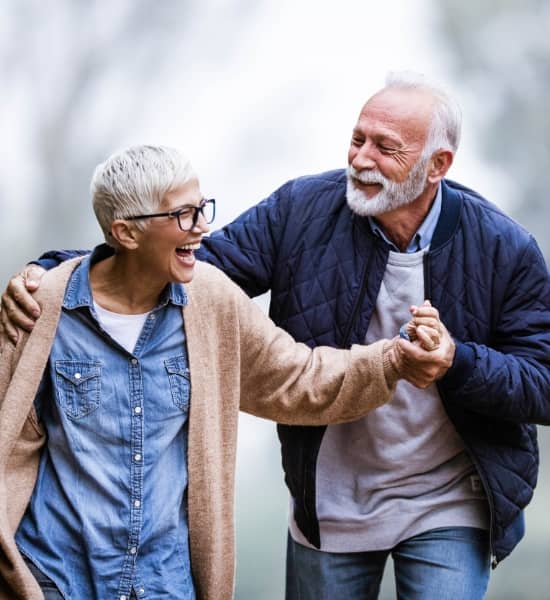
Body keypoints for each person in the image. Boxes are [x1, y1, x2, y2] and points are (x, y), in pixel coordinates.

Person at [3, 72, 550, 599]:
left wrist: (458, 361)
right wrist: (57, 274)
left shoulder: (504, 248)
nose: (361, 158)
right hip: (330, 501)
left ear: (438, 165)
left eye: (386, 148)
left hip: (447, 498)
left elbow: (541, 383)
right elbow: (180, 264)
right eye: (357, 139)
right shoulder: (302, 210)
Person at [0, 145, 447, 600]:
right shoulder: (39, 309)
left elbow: (298, 377)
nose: (202, 227)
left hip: (163, 585)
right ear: (126, 233)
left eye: (201, 208)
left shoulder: (209, 300)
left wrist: (392, 359)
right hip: (54, 580)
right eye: (183, 215)